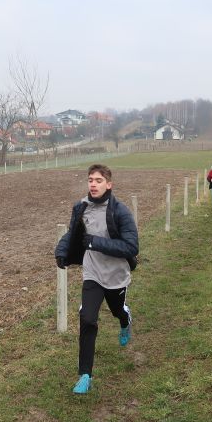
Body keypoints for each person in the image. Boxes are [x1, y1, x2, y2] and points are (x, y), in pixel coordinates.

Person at [55, 164, 139, 395]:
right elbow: (73, 233)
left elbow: (131, 246)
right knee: (87, 318)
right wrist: (61, 251)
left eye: (99, 180)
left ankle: (125, 321)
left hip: (116, 275)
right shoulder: (81, 207)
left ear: (109, 184)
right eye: (90, 180)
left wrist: (94, 242)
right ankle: (85, 375)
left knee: (117, 310)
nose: (93, 184)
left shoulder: (120, 212)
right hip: (92, 273)